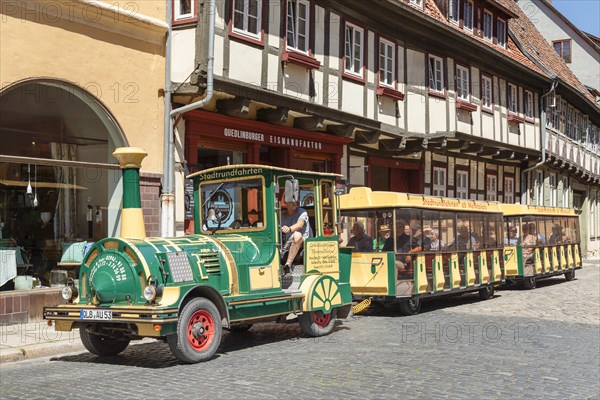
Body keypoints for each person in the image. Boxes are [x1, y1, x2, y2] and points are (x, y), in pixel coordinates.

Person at [280, 200, 312, 272]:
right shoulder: (283, 216)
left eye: (295, 201)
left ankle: (288, 265)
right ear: (286, 203)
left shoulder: (302, 212)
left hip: (305, 242)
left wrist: (289, 229)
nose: (294, 202)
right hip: (289, 242)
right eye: (291, 201)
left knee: (297, 235)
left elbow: (300, 224)